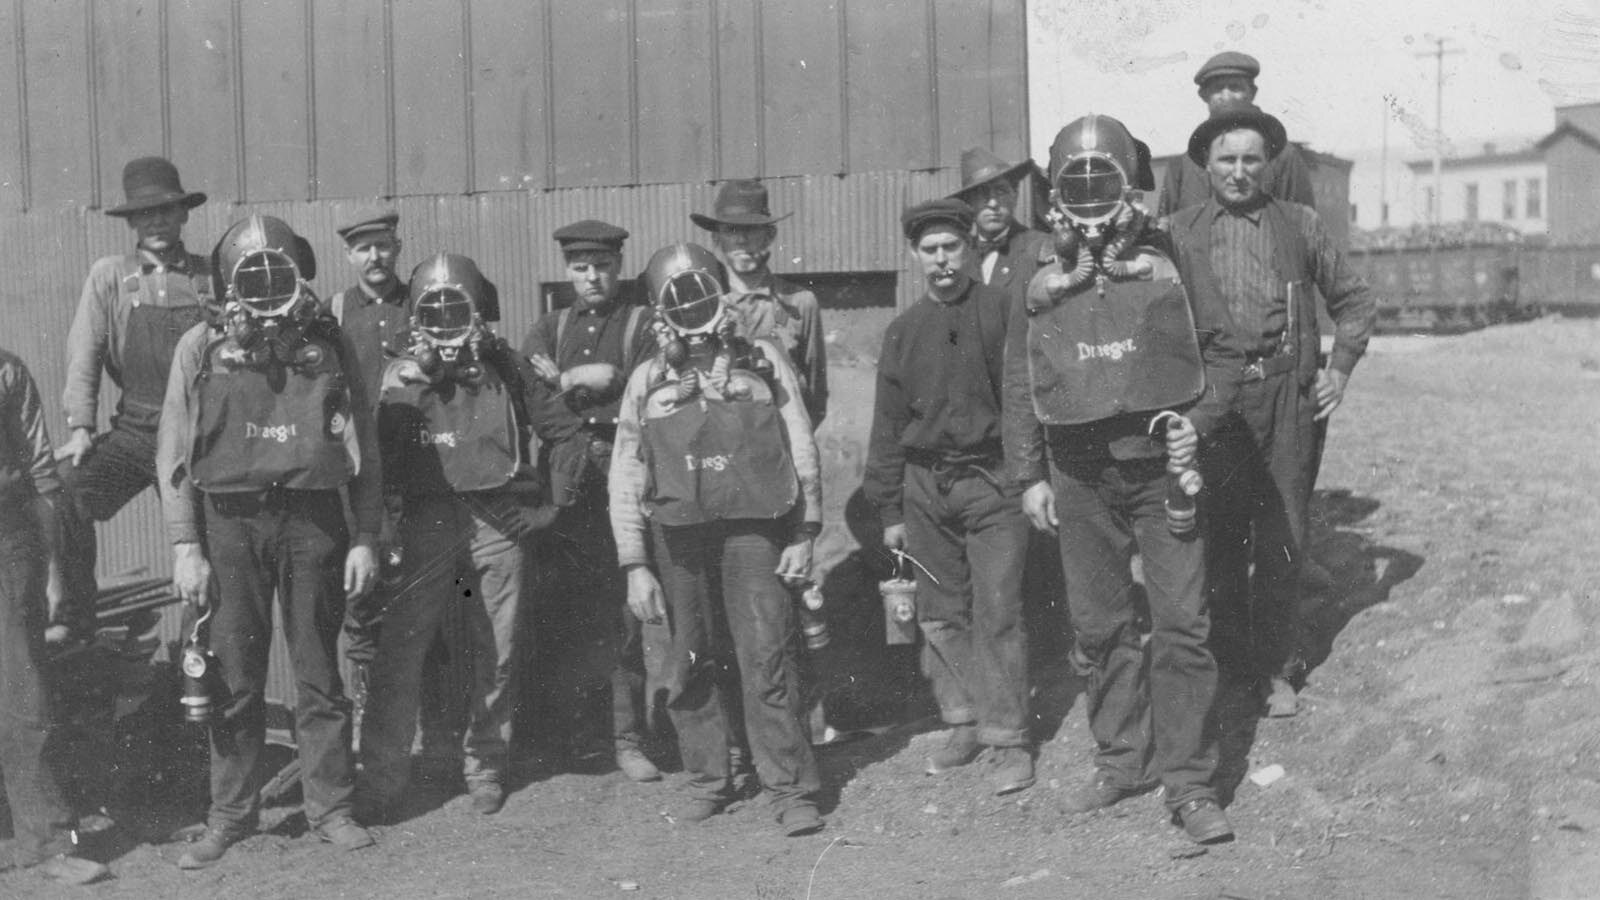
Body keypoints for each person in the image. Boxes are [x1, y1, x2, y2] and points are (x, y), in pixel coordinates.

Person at [1004, 114, 1232, 844]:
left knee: (1182, 627)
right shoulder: (1040, 273)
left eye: (1108, 181)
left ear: (1132, 185)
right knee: (1100, 628)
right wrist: (1029, 475)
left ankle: (1190, 782)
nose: (1094, 197)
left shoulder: (1174, 253)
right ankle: (1121, 760)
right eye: (1079, 183)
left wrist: (1192, 430)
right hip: (1077, 474)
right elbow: (1020, 378)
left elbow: (1223, 354)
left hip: (1161, 468)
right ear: (1057, 194)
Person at [157, 215, 379, 868]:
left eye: (274, 271)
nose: (262, 286)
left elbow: (360, 440)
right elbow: (173, 452)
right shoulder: (200, 347)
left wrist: (365, 533)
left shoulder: (327, 345)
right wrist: (185, 545)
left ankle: (331, 806)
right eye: (247, 274)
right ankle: (229, 814)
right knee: (234, 676)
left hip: (312, 521)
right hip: (229, 524)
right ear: (228, 284)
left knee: (317, 670)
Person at [1166, 104, 1377, 717]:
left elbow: (1356, 301)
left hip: (1288, 396)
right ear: (1206, 165)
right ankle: (1234, 667)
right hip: (1215, 405)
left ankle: (1276, 668)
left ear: (1269, 165)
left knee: (1283, 533)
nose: (1238, 172)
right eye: (1226, 159)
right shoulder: (1179, 232)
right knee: (1222, 537)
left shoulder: (1300, 225)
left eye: (1251, 160)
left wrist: (1339, 369)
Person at [609, 242, 824, 836]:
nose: (691, 309)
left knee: (767, 652)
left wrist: (805, 531)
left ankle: (789, 786)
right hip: (678, 539)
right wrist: (635, 563)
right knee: (690, 659)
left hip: (754, 532)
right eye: (676, 300)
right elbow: (626, 471)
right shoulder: (647, 380)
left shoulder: (764, 361)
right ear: (659, 310)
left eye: (700, 293)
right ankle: (709, 777)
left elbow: (800, 442)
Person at [359, 254, 550, 820]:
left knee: (497, 647)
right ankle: (384, 776)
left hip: (494, 516)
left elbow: (554, 425)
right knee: (401, 649)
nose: (444, 320)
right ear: (415, 316)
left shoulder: (503, 362)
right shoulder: (396, 370)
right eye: (432, 310)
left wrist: (545, 507)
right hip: (424, 520)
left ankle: (486, 765)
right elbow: (374, 450)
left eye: (455, 308)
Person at [862, 199, 1033, 796]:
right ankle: (963, 720)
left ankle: (1008, 737)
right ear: (916, 257)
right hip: (924, 489)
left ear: (971, 251)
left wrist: (1025, 475)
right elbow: (886, 427)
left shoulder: (1003, 312)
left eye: (951, 248)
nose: (941, 260)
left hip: (993, 484)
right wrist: (889, 511)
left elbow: (1024, 401)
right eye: (930, 250)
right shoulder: (903, 331)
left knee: (1000, 610)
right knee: (940, 613)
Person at [54, 157, 212, 644]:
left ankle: (198, 657)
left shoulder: (212, 277)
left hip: (198, 442)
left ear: (183, 215)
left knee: (206, 553)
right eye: (145, 215)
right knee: (63, 490)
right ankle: (76, 620)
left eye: (166, 211)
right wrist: (81, 425)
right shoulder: (110, 276)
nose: (157, 222)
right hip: (135, 433)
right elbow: (85, 351)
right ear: (132, 223)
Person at [522, 220, 658, 781]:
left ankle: (629, 740)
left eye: (601, 266)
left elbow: (645, 388)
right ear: (567, 270)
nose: (591, 276)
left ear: (618, 267)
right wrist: (589, 385)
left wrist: (582, 381)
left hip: (624, 480)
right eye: (580, 267)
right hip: (564, 488)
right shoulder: (547, 329)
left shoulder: (640, 323)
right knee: (565, 613)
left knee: (625, 615)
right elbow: (535, 403)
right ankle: (573, 739)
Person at [0, 348, 111, 885]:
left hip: (8, 536)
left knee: (24, 688)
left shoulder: (8, 371)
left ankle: (45, 844)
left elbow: (42, 472)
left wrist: (50, 575)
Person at [326, 210, 410, 716]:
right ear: (349, 255)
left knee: (426, 603)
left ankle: (426, 733)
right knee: (361, 605)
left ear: (397, 248)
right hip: (357, 484)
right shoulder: (332, 312)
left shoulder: (421, 301)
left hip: (415, 474)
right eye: (363, 249)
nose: (374, 257)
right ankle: (365, 720)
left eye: (382, 246)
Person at [691, 179, 827, 425]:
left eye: (752, 229)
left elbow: (815, 397)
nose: (742, 240)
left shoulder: (799, 303)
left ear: (770, 235)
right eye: (731, 230)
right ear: (716, 238)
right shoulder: (702, 307)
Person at [1156, 52, 1316, 217]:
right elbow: (1164, 232)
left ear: (1252, 93)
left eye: (1235, 87)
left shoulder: (1282, 157)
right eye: (1217, 89)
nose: (1226, 97)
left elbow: (1301, 225)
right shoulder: (1184, 164)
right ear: (1204, 96)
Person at [948, 147, 1051, 309]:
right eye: (982, 193)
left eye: (1001, 191)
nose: (993, 203)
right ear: (969, 203)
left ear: (1015, 196)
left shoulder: (1041, 246)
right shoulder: (960, 257)